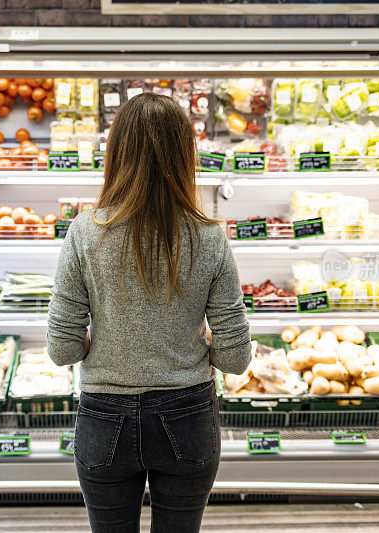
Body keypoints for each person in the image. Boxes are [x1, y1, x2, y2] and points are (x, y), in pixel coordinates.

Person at [47, 92, 251, 533]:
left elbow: (62, 350)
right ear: (185, 154)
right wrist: (193, 344)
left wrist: (109, 341)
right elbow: (236, 359)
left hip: (104, 419)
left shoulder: (85, 231)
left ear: (115, 151)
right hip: (188, 418)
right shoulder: (210, 237)